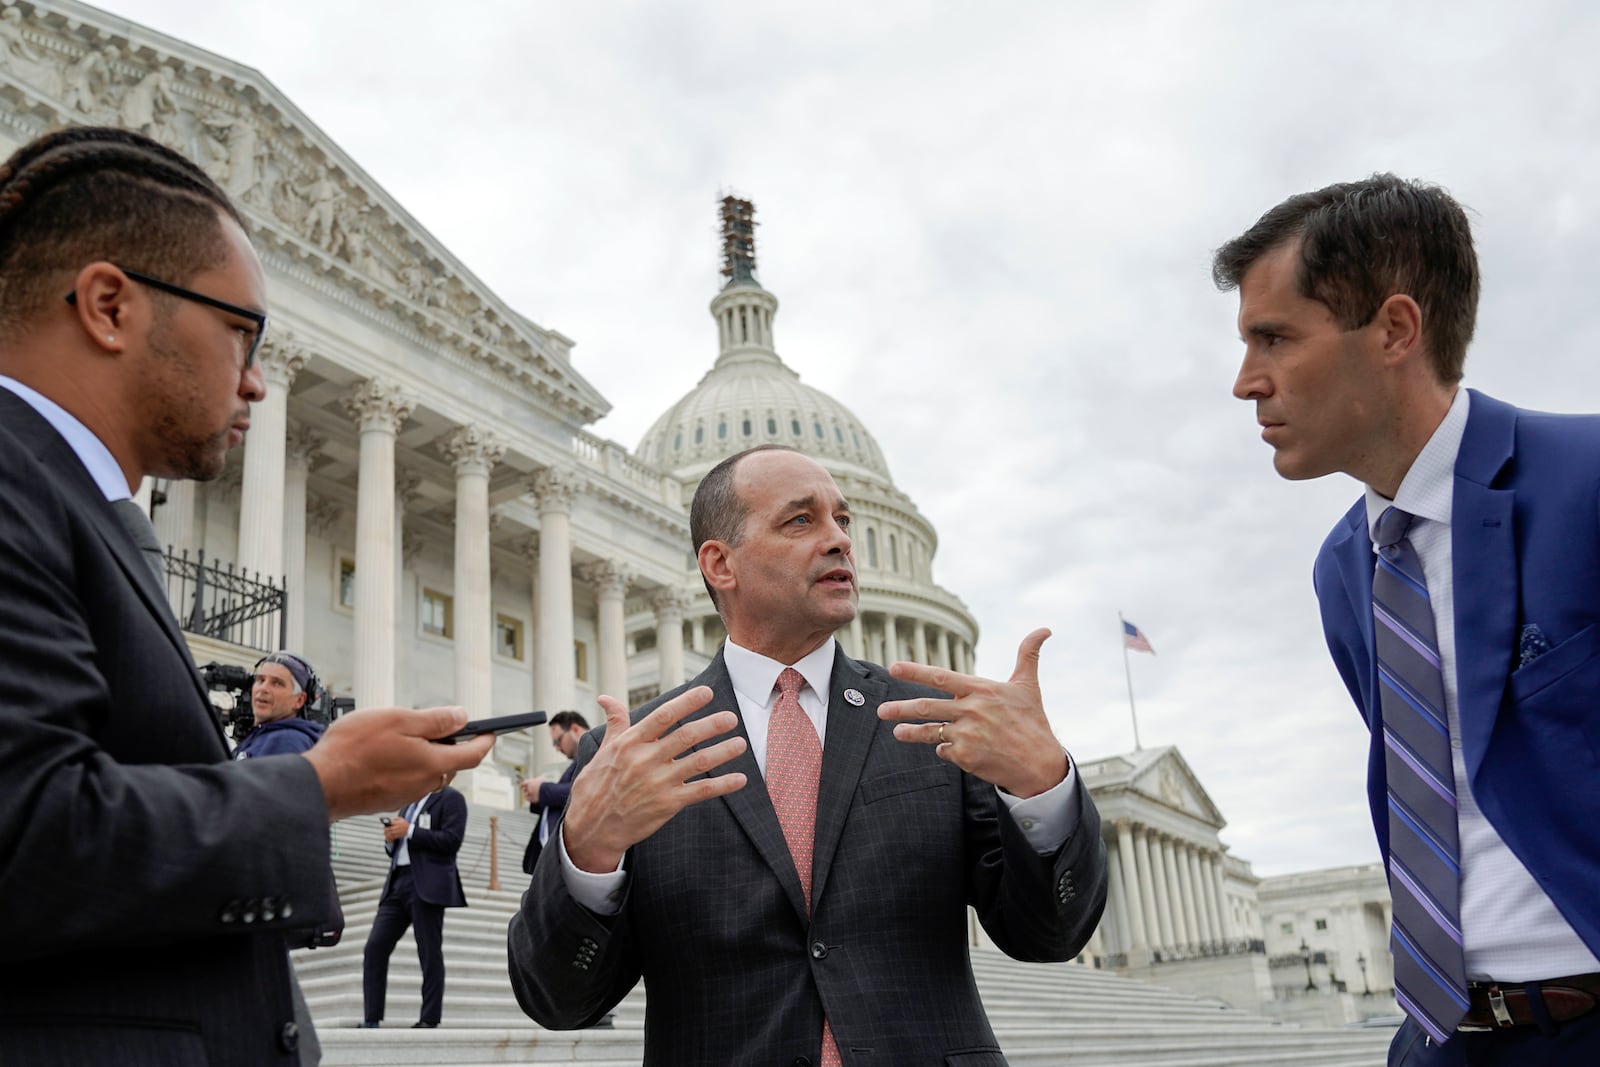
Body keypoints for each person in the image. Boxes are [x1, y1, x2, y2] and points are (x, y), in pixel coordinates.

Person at [0, 126, 494, 1066]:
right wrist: (319, 784)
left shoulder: (65, 496)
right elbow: (24, 829)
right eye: (244, 332)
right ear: (109, 305)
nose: (262, 380)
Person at [508, 444, 1107, 1065]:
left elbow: (1049, 937)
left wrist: (1044, 789)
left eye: (843, 520)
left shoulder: (931, 721)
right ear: (720, 563)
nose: (839, 540)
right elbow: (559, 1001)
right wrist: (589, 852)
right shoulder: (632, 754)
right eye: (801, 520)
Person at [1215, 174, 1600, 1066]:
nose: (1245, 382)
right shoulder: (1343, 570)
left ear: (1394, 330)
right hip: (1441, 1041)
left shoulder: (1585, 480)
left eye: (1273, 337)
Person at [361, 776, 468, 1029]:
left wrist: (409, 830)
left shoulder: (451, 799)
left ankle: (429, 1018)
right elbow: (398, 846)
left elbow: (452, 840)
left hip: (427, 884)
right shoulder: (408, 802)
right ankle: (371, 1018)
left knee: (428, 951)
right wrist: (391, 839)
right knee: (375, 947)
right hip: (397, 884)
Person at [519, 710, 589, 875]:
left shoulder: (595, 752)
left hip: (571, 857)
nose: (557, 748)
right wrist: (536, 796)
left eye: (558, 740)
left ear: (575, 729)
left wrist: (542, 790)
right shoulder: (579, 760)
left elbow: (582, 792)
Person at [235, 651, 325, 759]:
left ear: (299, 700)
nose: (263, 688)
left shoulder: (288, 741)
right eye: (261, 680)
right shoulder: (260, 737)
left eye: (277, 683)